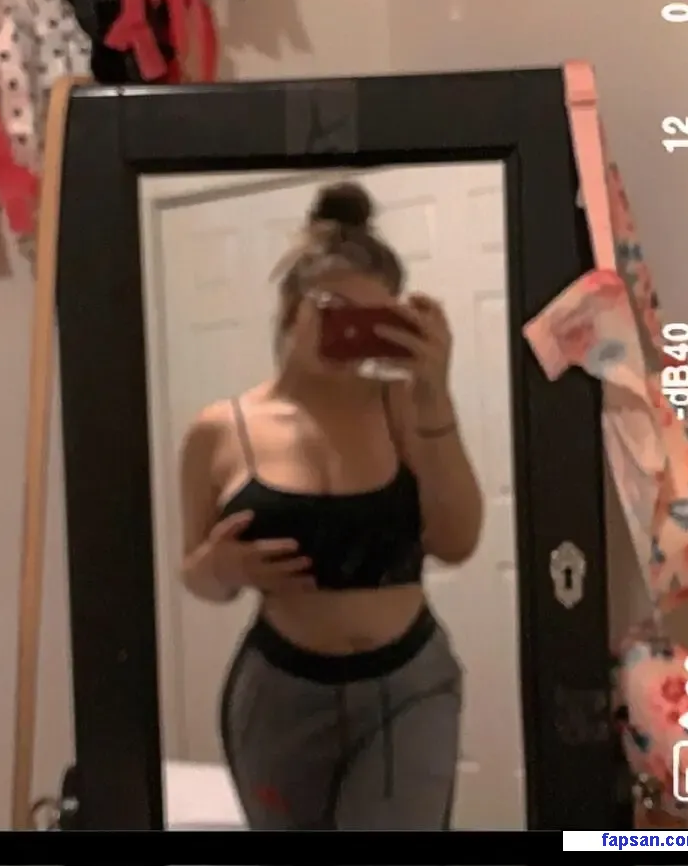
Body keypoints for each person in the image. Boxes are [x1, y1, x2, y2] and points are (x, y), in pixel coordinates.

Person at [177, 181, 485, 830]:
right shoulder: (219, 430)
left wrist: (435, 394)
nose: (351, 333)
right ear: (291, 309)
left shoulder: (402, 405)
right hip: (279, 694)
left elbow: (457, 541)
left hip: (409, 686)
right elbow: (197, 578)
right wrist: (221, 566)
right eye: (333, 310)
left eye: (374, 321)